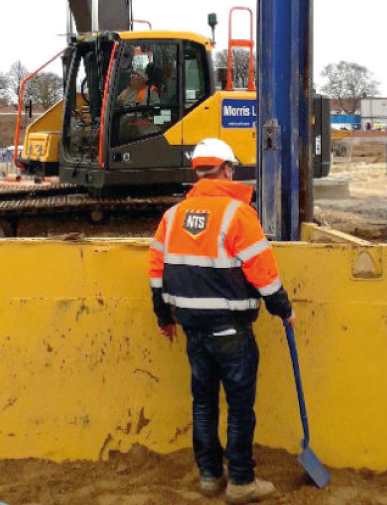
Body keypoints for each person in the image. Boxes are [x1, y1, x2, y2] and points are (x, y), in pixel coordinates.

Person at [148, 138, 295, 503]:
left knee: (203, 403)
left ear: (198, 172)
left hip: (193, 329)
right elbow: (263, 272)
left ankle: (210, 476)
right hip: (231, 329)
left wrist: (164, 317)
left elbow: (156, 272)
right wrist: (283, 308)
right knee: (240, 408)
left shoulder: (173, 216)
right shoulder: (238, 214)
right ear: (227, 170)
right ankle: (241, 481)